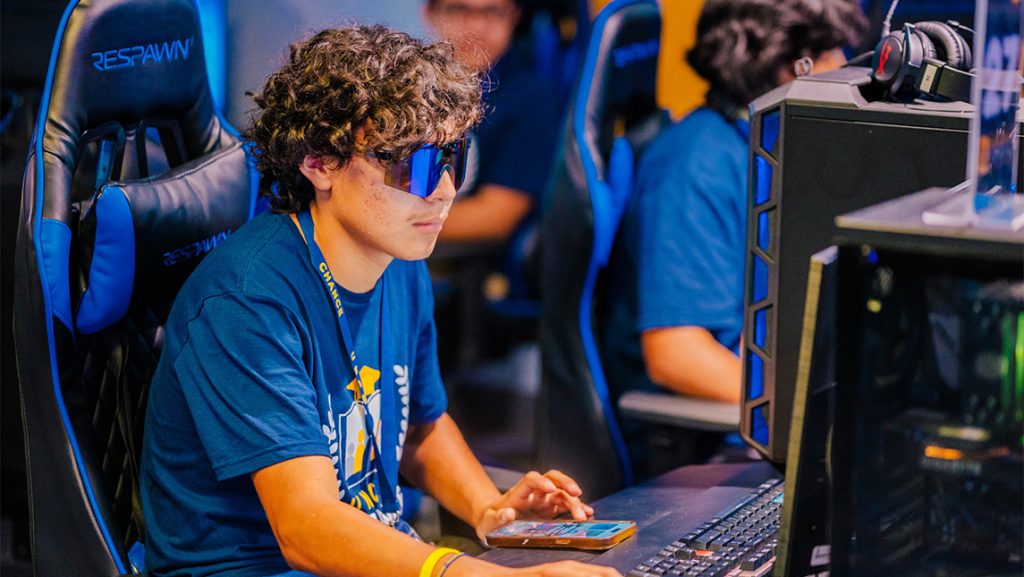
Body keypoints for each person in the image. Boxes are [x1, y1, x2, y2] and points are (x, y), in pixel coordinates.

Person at [140, 25, 621, 577]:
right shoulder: (247, 302)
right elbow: (304, 527)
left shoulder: (399, 261)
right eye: (413, 166)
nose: (442, 192)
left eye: (451, 161)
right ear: (319, 162)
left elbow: (419, 425)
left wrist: (491, 508)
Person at [603, 1, 864, 410]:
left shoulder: (771, 149)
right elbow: (676, 353)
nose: (843, 65)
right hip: (716, 434)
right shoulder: (694, 166)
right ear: (779, 64)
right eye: (826, 52)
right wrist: (812, 421)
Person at [423, 0, 563, 245]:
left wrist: (389, 221)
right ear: (430, 13)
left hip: (467, 262)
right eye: (458, 9)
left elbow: (496, 217)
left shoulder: (531, 98)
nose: (476, 25)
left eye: (493, 12)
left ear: (514, 16)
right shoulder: (409, 83)